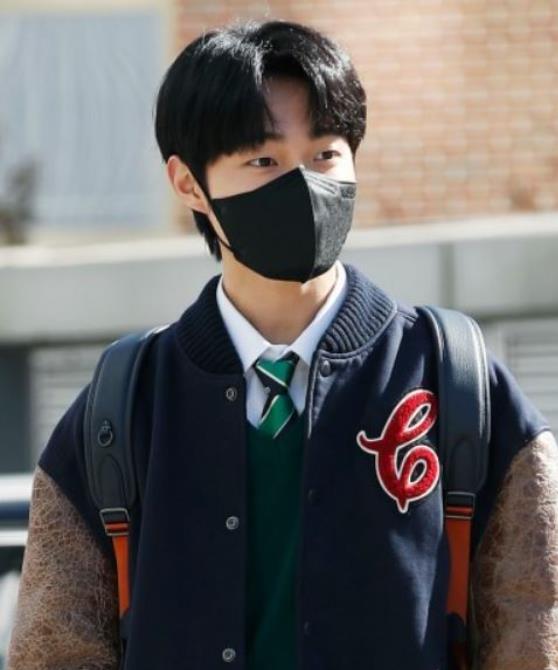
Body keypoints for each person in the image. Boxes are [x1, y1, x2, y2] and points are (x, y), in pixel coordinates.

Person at [7, 18, 558, 670]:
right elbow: (55, 649)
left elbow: (534, 629)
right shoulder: (122, 407)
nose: (303, 183)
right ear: (188, 183)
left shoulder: (456, 379)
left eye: (325, 154)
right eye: (264, 161)